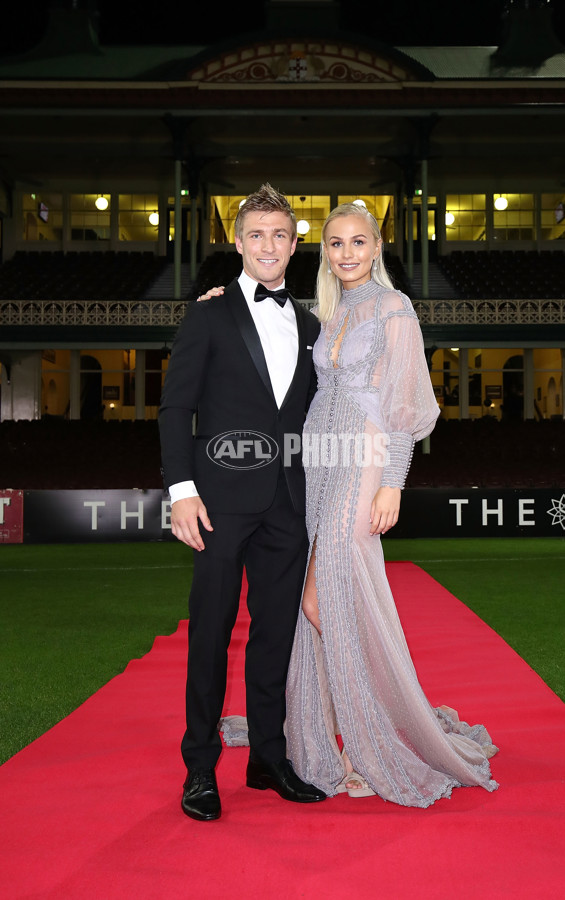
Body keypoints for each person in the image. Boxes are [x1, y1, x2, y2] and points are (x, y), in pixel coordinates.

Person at [200, 201, 499, 807]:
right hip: (315, 459)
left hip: (363, 461)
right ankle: (317, 738)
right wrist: (219, 299)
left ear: (377, 247)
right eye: (335, 244)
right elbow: (272, 343)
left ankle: (372, 737)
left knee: (320, 594)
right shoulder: (325, 315)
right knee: (320, 596)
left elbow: (407, 403)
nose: (345, 254)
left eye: (357, 243)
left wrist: (393, 481)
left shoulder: (395, 309)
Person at [158, 183, 325, 822]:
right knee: (210, 635)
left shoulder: (308, 323)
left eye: (280, 235)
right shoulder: (207, 313)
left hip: (288, 504)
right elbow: (176, 407)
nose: (268, 245)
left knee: (275, 636)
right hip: (218, 503)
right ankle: (200, 767)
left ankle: (267, 757)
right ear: (238, 242)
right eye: (256, 234)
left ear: (292, 243)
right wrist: (181, 491)